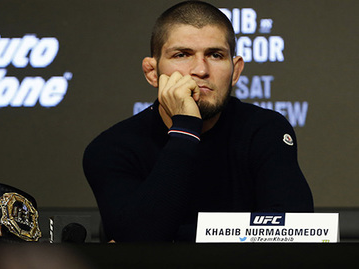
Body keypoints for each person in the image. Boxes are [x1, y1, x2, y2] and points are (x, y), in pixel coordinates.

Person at [83, 0, 313, 242]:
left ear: (235, 71)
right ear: (152, 73)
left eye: (215, 55)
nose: (200, 70)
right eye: (182, 55)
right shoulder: (112, 148)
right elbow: (137, 244)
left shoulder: (265, 130)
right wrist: (185, 129)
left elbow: (296, 231)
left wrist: (174, 239)